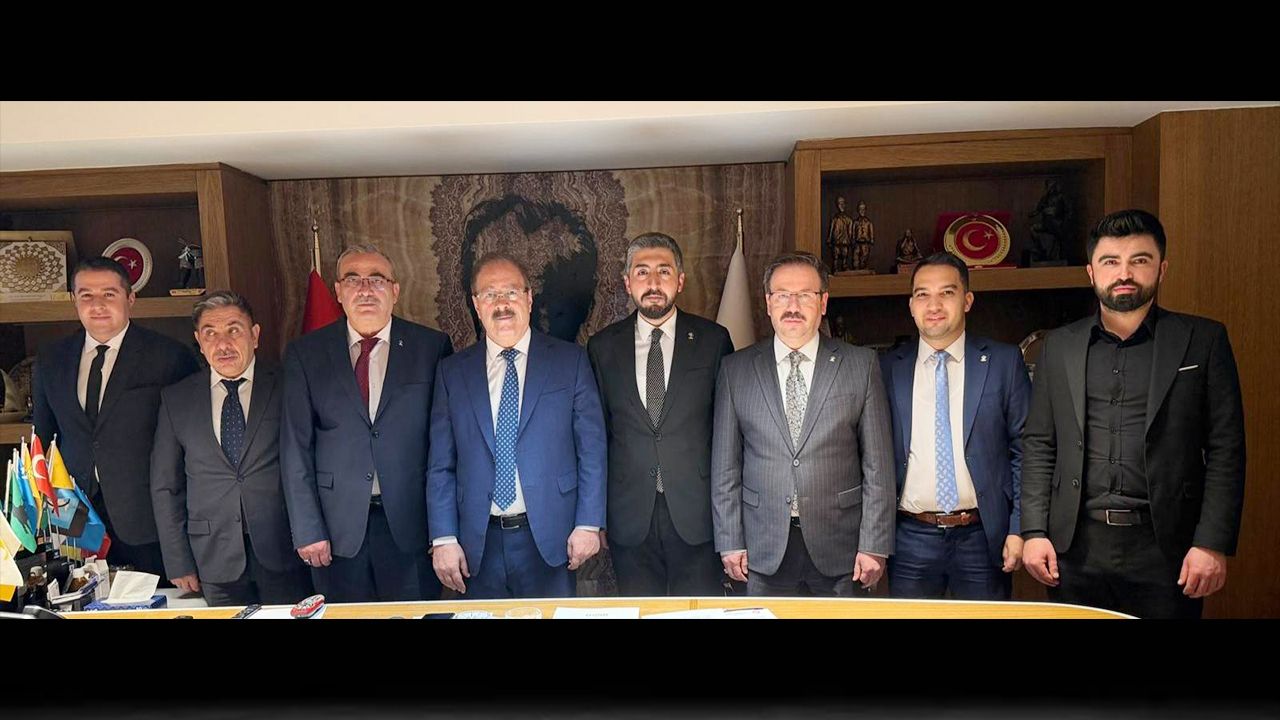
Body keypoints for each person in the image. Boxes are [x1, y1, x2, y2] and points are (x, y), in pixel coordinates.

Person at [1021, 209, 1246, 618]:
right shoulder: (1059, 345)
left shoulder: (1203, 340)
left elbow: (1226, 449)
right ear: (1091, 272)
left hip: (1169, 548)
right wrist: (1034, 531)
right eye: (1110, 261)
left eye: (1139, 260)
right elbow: (1039, 443)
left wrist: (1212, 542)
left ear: (1162, 268)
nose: (1124, 273)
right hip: (1075, 547)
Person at [711, 250, 895, 596]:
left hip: (841, 546)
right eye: (782, 295)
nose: (792, 306)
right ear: (768, 303)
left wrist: (875, 544)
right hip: (762, 547)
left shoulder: (861, 365)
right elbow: (725, 467)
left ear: (823, 302)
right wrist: (730, 540)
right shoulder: (736, 370)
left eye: (805, 295)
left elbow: (878, 465)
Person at [428, 251, 606, 599]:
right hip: (477, 543)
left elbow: (592, 450)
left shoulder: (570, 361)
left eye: (511, 292)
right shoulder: (453, 372)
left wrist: (588, 523)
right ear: (476, 304)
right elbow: (440, 464)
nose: (502, 304)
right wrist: (444, 537)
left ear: (529, 297)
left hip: (551, 537)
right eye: (490, 294)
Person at [281, 244, 453, 602]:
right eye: (353, 280)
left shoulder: (431, 347)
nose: (365, 289)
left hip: (412, 526)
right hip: (335, 531)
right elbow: (296, 448)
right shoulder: (306, 353)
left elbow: (445, 444)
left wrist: (444, 532)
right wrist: (308, 528)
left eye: (377, 279)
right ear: (338, 291)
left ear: (395, 290)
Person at [32, 257, 199, 578]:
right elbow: (44, 441)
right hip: (74, 519)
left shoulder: (170, 356)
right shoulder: (51, 359)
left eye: (109, 294)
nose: (97, 305)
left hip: (147, 518)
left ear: (130, 298)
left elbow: (190, 444)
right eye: (86, 295)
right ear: (73, 300)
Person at [587, 232, 734, 596]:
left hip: (698, 514)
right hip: (629, 516)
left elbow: (729, 433)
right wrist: (596, 517)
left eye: (664, 271)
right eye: (642, 272)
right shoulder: (602, 347)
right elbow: (596, 436)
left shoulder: (713, 340)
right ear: (627, 282)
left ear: (680, 280)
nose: (653, 283)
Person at [880, 252, 1031, 599]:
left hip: (983, 535)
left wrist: (1019, 527)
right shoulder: (887, 368)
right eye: (922, 294)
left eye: (946, 293)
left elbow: (1026, 451)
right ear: (911, 305)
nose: (933, 305)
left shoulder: (1003, 362)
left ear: (967, 300)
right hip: (909, 537)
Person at [151, 291, 312, 606]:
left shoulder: (288, 385)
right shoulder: (177, 399)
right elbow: (165, 487)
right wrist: (178, 560)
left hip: (284, 549)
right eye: (210, 333)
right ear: (199, 341)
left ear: (255, 335)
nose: (222, 344)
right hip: (213, 557)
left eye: (234, 330)